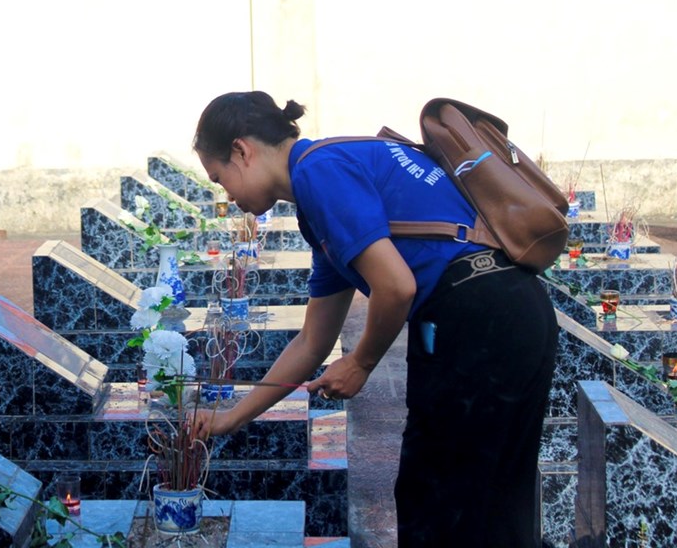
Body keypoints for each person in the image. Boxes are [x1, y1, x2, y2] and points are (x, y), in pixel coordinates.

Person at [189, 91, 558, 548]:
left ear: (242, 150)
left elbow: (396, 286)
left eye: (220, 177)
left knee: (439, 508)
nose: (227, 195)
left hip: (477, 322)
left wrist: (361, 362)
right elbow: (312, 341)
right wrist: (232, 417)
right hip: (513, 311)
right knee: (493, 507)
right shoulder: (327, 181)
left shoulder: (319, 172)